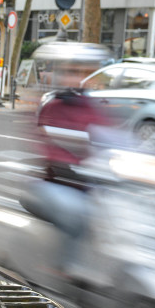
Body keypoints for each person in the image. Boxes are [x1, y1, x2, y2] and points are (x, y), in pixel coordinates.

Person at [28, 43, 118, 283]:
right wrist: (74, 161)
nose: (79, 77)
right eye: (73, 71)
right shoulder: (52, 105)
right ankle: (60, 269)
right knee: (76, 211)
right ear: (61, 74)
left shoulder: (90, 105)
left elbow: (109, 136)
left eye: (83, 72)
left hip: (84, 182)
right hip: (55, 182)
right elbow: (48, 142)